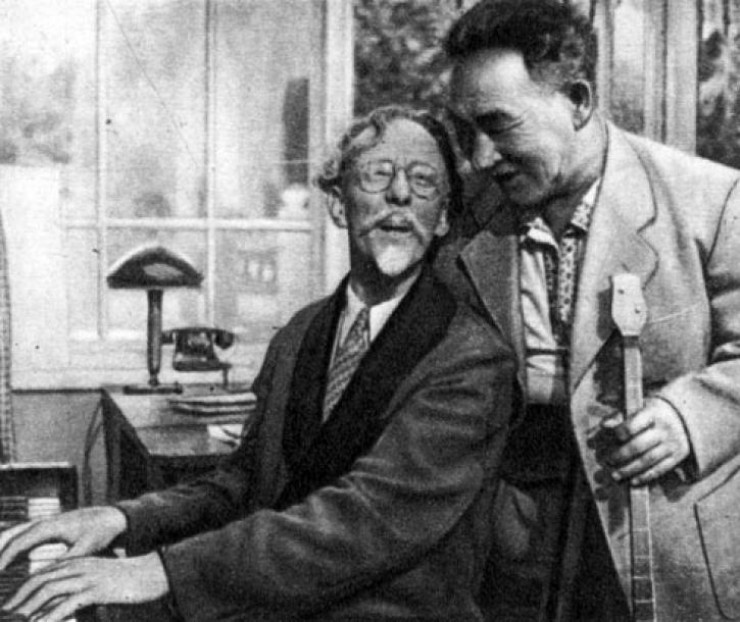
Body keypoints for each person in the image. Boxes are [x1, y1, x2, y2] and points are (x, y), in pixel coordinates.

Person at [0, 106, 515, 622]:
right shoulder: (300, 333)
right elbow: (244, 483)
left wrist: (163, 571)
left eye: (424, 182)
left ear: (442, 217)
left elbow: (364, 521)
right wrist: (124, 518)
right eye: (378, 175)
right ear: (338, 205)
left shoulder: (472, 359)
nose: (401, 194)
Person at [435, 1, 740, 620]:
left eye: (498, 125)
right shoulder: (470, 218)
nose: (480, 158)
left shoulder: (712, 201)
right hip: (517, 548)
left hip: (666, 540)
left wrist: (691, 417)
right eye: (466, 132)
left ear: (577, 100)